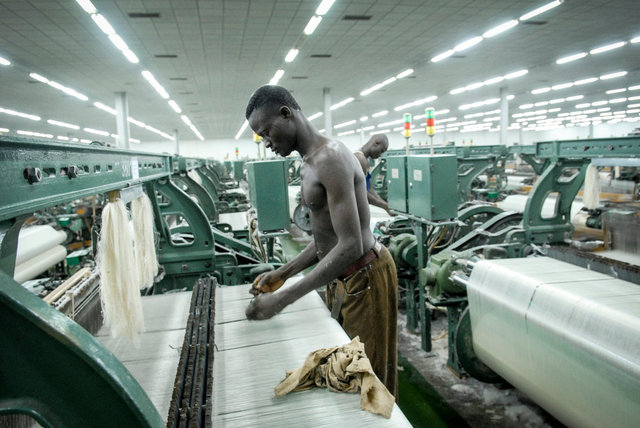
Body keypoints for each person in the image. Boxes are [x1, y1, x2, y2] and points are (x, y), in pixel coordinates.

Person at [244, 85, 398, 398]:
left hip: (365, 275)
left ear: (286, 114)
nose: (267, 142)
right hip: (349, 277)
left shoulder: (329, 158)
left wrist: (284, 298)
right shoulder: (311, 161)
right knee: (348, 377)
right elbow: (326, 239)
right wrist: (283, 273)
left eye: (267, 132)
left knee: (368, 386)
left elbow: (352, 245)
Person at [354, 134, 393, 215]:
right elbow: (362, 193)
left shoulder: (366, 161)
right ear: (376, 143)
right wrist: (385, 207)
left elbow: (369, 188)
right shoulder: (359, 159)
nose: (380, 155)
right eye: (381, 151)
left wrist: (387, 205)